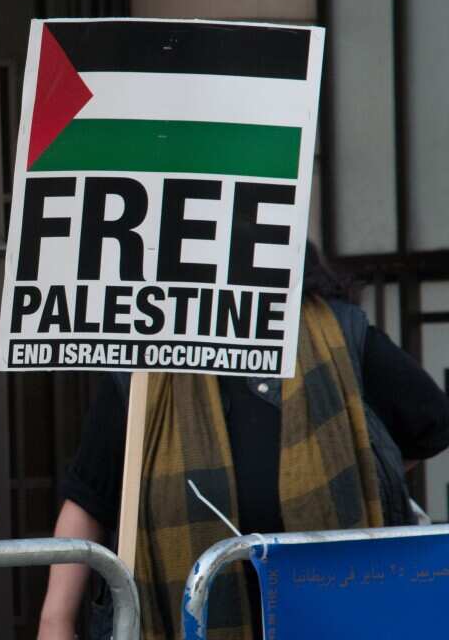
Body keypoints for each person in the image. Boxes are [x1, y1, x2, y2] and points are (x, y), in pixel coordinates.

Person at [36, 241, 449, 640]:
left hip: (331, 616)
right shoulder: (149, 361)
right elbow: (88, 499)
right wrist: (55, 622)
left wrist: (362, 469)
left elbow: (430, 424)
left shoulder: (338, 335)